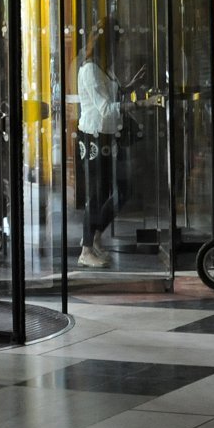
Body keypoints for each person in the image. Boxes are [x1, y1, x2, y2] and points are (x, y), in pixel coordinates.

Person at [74, 21, 143, 270]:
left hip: (108, 136)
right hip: (94, 137)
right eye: (117, 43)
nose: (120, 49)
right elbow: (104, 109)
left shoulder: (103, 68)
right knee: (96, 193)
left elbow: (110, 97)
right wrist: (140, 105)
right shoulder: (90, 69)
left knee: (122, 189)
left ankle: (93, 237)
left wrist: (127, 88)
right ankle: (86, 248)